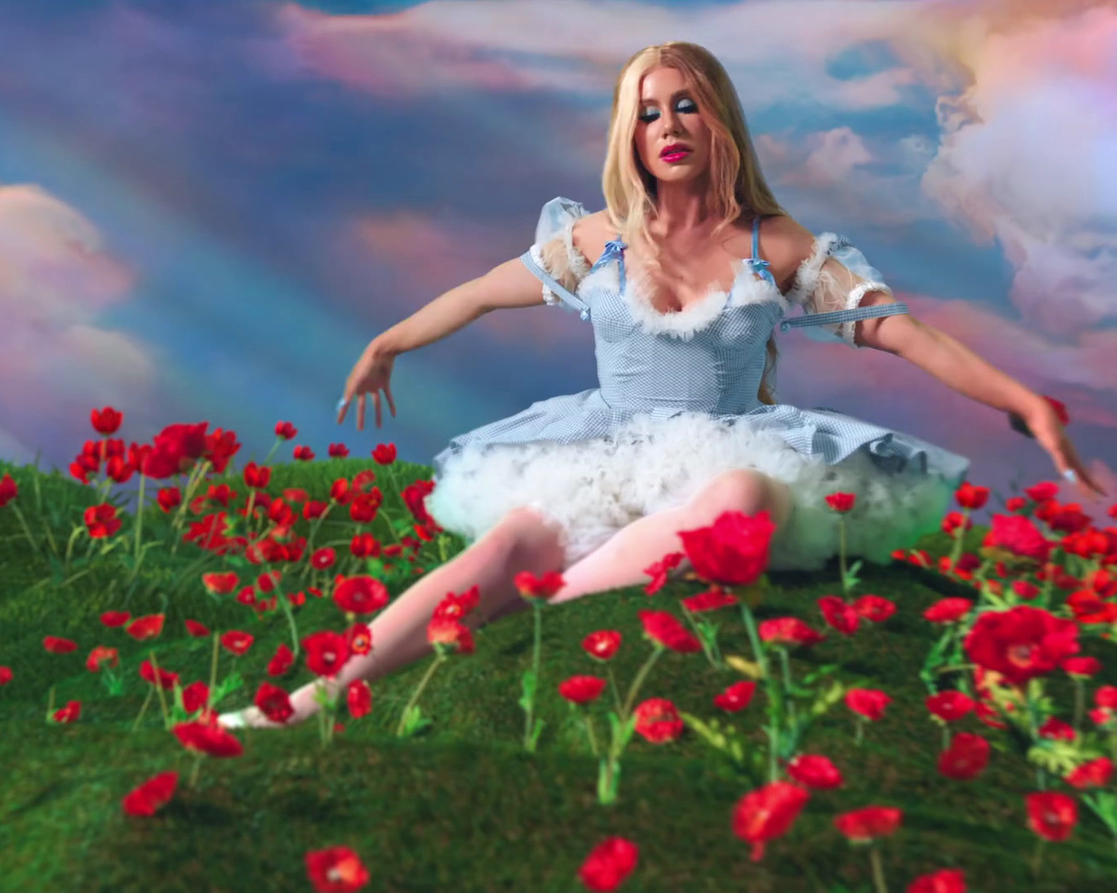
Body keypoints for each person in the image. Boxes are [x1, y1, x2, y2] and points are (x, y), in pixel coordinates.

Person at [219, 41, 1104, 730]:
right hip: (607, 448)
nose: (669, 125)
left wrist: (1023, 402)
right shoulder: (596, 239)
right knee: (506, 543)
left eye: (687, 105)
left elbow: (903, 333)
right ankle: (309, 698)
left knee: (742, 495)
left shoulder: (774, 244)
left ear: (719, 119)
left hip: (727, 444)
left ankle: (540, 618)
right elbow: (481, 294)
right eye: (649, 113)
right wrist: (386, 342)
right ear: (628, 133)